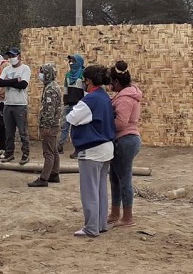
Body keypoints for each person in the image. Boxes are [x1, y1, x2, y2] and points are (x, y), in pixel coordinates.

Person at [66, 65, 115, 237]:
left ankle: (91, 227)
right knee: (100, 189)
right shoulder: (104, 97)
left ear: (89, 81)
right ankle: (100, 224)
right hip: (106, 148)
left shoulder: (91, 99)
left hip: (92, 149)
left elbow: (71, 117)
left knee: (89, 190)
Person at [108, 61, 142, 228]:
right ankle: (115, 213)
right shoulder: (128, 95)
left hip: (125, 139)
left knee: (124, 179)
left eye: (111, 82)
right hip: (127, 139)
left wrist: (104, 126)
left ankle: (127, 216)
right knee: (115, 178)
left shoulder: (124, 99)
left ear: (116, 82)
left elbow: (120, 123)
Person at [28, 63, 63, 187]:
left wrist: (46, 126)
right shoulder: (52, 86)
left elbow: (50, 110)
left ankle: (44, 178)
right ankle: (54, 173)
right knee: (53, 150)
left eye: (42, 72)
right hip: (54, 124)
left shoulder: (50, 89)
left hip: (50, 125)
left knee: (48, 152)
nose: (40, 74)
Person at [0, 48, 31, 164]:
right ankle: (9, 153)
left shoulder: (25, 69)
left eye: (13, 55)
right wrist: (15, 80)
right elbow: (0, 82)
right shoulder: (6, 69)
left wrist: (9, 81)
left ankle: (25, 154)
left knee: (23, 132)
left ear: (19, 56)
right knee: (9, 132)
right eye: (9, 56)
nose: (11, 58)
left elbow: (23, 84)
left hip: (20, 104)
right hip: (7, 103)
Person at [59, 54, 86, 158]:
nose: (71, 63)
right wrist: (65, 102)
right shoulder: (68, 75)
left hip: (78, 105)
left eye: (73, 61)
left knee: (77, 129)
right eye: (70, 61)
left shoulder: (83, 75)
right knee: (64, 126)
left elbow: (85, 91)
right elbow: (65, 90)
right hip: (68, 104)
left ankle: (78, 149)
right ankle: (60, 145)